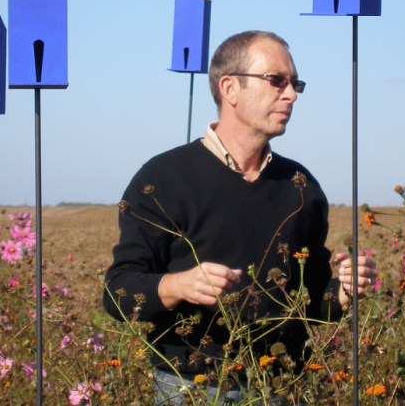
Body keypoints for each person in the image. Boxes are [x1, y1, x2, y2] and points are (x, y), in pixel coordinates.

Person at [102, 30, 377, 404]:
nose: (291, 94)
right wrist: (178, 286)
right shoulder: (163, 179)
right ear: (230, 88)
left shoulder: (301, 187)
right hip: (191, 389)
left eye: (294, 83)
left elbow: (309, 303)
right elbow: (117, 290)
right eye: (276, 81)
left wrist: (342, 291)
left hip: (278, 388)